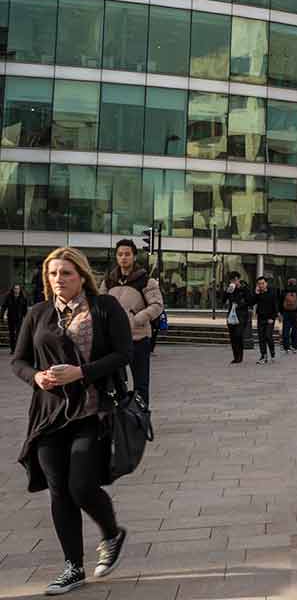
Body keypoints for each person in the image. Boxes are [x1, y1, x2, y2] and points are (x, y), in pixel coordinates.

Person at [12, 247, 133, 594]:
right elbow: (18, 360)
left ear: (81, 275)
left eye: (66, 273)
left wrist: (81, 372)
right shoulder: (37, 313)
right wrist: (36, 377)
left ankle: (111, 533)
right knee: (58, 492)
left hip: (92, 412)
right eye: (52, 274)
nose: (58, 280)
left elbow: (123, 354)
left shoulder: (105, 308)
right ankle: (73, 567)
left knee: (80, 485)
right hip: (48, 417)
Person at [103, 241, 163, 405]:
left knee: (141, 383)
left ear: (134, 256)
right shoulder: (109, 281)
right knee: (116, 382)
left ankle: (141, 419)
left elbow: (157, 305)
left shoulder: (145, 280)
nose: (123, 258)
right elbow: (99, 304)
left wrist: (137, 319)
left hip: (138, 338)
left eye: (127, 254)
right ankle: (120, 419)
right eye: (120, 254)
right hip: (114, 340)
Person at [220, 274, 252, 365]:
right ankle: (236, 357)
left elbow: (249, 301)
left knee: (238, 335)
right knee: (233, 336)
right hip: (231, 315)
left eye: (235, 280)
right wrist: (227, 292)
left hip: (241, 315)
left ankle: (240, 356)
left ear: (238, 279)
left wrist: (240, 304)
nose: (233, 282)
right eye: (231, 280)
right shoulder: (230, 289)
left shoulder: (244, 288)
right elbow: (222, 301)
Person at [252, 276, 279, 365]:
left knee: (268, 336)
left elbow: (275, 306)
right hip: (261, 318)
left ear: (266, 284)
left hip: (270, 318)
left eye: (263, 283)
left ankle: (272, 353)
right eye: (259, 284)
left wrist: (273, 317)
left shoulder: (272, 292)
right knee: (261, 337)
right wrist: (256, 293)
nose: (261, 285)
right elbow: (251, 302)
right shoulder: (258, 293)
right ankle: (263, 355)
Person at [280, 280, 297, 353]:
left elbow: (280, 302)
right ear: (295, 283)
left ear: (288, 283)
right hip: (295, 313)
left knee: (286, 330)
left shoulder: (284, 291)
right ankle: (294, 346)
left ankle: (286, 347)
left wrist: (280, 313)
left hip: (286, 313)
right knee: (295, 330)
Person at [4, 283, 29, 354]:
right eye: (15, 289)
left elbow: (25, 309)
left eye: (18, 289)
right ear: (13, 289)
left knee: (18, 334)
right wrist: (2, 315)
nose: (16, 290)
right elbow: (4, 306)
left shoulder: (23, 297)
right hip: (10, 318)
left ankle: (18, 349)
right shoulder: (8, 297)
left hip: (19, 318)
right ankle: (12, 349)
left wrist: (26, 318)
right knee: (11, 334)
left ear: (20, 289)